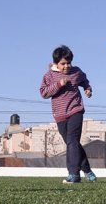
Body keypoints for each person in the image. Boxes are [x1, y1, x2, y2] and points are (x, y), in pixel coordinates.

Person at [40, 45, 97, 184]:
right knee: (73, 143)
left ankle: (73, 174)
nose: (66, 66)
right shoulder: (49, 75)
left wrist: (87, 89)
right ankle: (88, 170)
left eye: (68, 63)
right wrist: (59, 84)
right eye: (63, 64)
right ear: (56, 63)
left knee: (72, 140)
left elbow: (84, 81)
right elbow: (43, 93)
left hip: (75, 109)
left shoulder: (76, 71)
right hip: (59, 114)